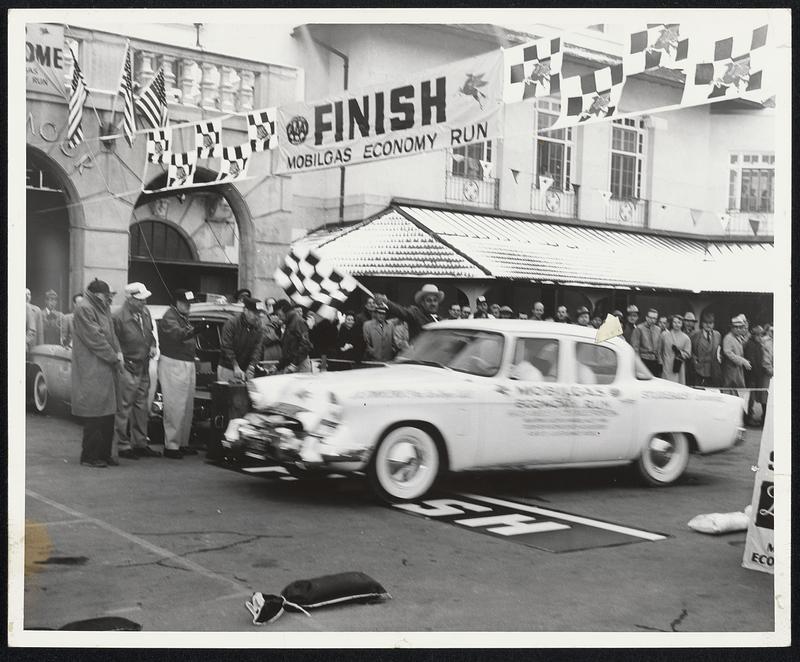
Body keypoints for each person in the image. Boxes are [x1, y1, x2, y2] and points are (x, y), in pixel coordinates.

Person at [71, 279, 123, 468]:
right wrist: (114, 357)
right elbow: (95, 339)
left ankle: (104, 454)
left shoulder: (101, 307)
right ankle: (89, 456)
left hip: (104, 367)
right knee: (94, 414)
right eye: (105, 295)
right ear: (97, 294)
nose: (107, 299)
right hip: (92, 368)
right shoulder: (85, 308)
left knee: (107, 414)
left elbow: (111, 335)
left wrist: (117, 353)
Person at [112, 282, 160, 460]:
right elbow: (113, 339)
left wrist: (153, 344)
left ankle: (140, 443)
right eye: (140, 300)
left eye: (145, 299)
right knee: (124, 407)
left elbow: (150, 332)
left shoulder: (144, 312)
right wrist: (120, 357)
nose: (144, 303)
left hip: (143, 366)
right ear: (130, 299)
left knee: (141, 407)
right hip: (129, 366)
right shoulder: (118, 316)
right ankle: (123, 445)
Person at [157, 289, 200, 459]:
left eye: (189, 303)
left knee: (187, 406)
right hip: (173, 362)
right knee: (175, 405)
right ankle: (171, 445)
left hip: (186, 362)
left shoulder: (181, 316)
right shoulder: (170, 316)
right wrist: (194, 331)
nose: (188, 306)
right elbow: (176, 335)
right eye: (184, 303)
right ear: (176, 302)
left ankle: (182, 442)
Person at [377, 283, 443, 343]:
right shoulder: (415, 313)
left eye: (435, 300)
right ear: (422, 303)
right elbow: (401, 311)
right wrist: (386, 302)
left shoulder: (439, 320)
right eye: (429, 300)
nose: (433, 303)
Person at [219, 296, 264, 382]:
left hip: (246, 369)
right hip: (228, 367)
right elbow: (226, 346)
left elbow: (257, 349)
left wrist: (252, 366)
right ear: (245, 311)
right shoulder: (232, 323)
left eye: (259, 314)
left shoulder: (258, 327)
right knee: (228, 394)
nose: (257, 317)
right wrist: (235, 365)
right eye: (255, 313)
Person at [272, 299, 313, 373]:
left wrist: (294, 364)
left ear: (283, 309)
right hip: (293, 364)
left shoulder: (298, 321)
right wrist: (277, 366)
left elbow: (306, 345)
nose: (279, 317)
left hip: (300, 365)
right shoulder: (289, 323)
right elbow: (288, 350)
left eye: (278, 314)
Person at [720, 314, 751, 394]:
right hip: (730, 370)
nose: (738, 329)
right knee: (730, 392)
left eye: (740, 327)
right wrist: (743, 361)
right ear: (731, 328)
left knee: (738, 391)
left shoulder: (738, 337)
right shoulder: (728, 338)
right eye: (735, 327)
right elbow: (728, 352)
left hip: (737, 370)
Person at [691, 312, 722, 387]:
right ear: (702, 323)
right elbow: (691, 350)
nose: (708, 325)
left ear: (713, 324)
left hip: (713, 369)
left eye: (710, 323)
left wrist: (719, 357)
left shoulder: (717, 335)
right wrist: (695, 360)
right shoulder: (696, 335)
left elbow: (719, 349)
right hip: (699, 369)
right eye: (706, 322)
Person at [659, 315, 692, 384]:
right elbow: (660, 350)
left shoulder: (686, 338)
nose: (677, 324)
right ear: (671, 323)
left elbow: (688, 353)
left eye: (679, 322)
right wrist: (661, 362)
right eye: (674, 322)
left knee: (677, 385)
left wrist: (679, 353)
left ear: (682, 324)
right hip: (666, 364)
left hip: (678, 365)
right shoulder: (664, 335)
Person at [743, 325, 765, 425]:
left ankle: (749, 416)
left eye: (762, 335)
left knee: (752, 396)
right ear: (755, 335)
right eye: (760, 335)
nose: (761, 337)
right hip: (751, 375)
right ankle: (748, 418)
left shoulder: (758, 344)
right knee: (750, 398)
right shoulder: (750, 344)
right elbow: (752, 360)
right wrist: (757, 373)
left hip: (756, 375)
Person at [631, 308, 662, 377]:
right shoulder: (639, 329)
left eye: (654, 318)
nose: (652, 320)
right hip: (643, 360)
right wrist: (638, 364)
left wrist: (660, 362)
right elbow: (635, 348)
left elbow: (659, 348)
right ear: (646, 317)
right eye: (650, 318)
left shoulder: (658, 329)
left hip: (654, 361)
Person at [682, 312, 698, 385]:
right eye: (687, 321)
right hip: (682, 360)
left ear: (694, 323)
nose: (689, 323)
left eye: (691, 322)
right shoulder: (681, 333)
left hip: (693, 362)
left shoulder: (697, 334)